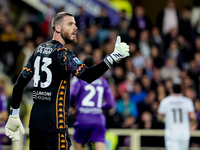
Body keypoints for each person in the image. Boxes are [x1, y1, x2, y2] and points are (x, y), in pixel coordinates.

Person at [4, 12, 129, 150]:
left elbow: (19, 85)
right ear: (57, 28)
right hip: (55, 123)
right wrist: (113, 57)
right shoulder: (63, 54)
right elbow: (88, 76)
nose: (75, 28)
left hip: (36, 122)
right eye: (70, 24)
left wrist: (14, 114)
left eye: (75, 24)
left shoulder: (37, 51)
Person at [70, 56, 114, 150]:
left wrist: (73, 105)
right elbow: (110, 103)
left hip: (83, 119)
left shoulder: (79, 79)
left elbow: (73, 94)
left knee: (78, 146)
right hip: (98, 120)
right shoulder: (103, 81)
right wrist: (99, 107)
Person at [158, 83, 197, 150]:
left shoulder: (165, 101)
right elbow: (193, 118)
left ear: (171, 90)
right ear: (181, 90)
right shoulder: (187, 101)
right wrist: (192, 125)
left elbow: (160, 117)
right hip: (184, 134)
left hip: (171, 134)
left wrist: (166, 120)